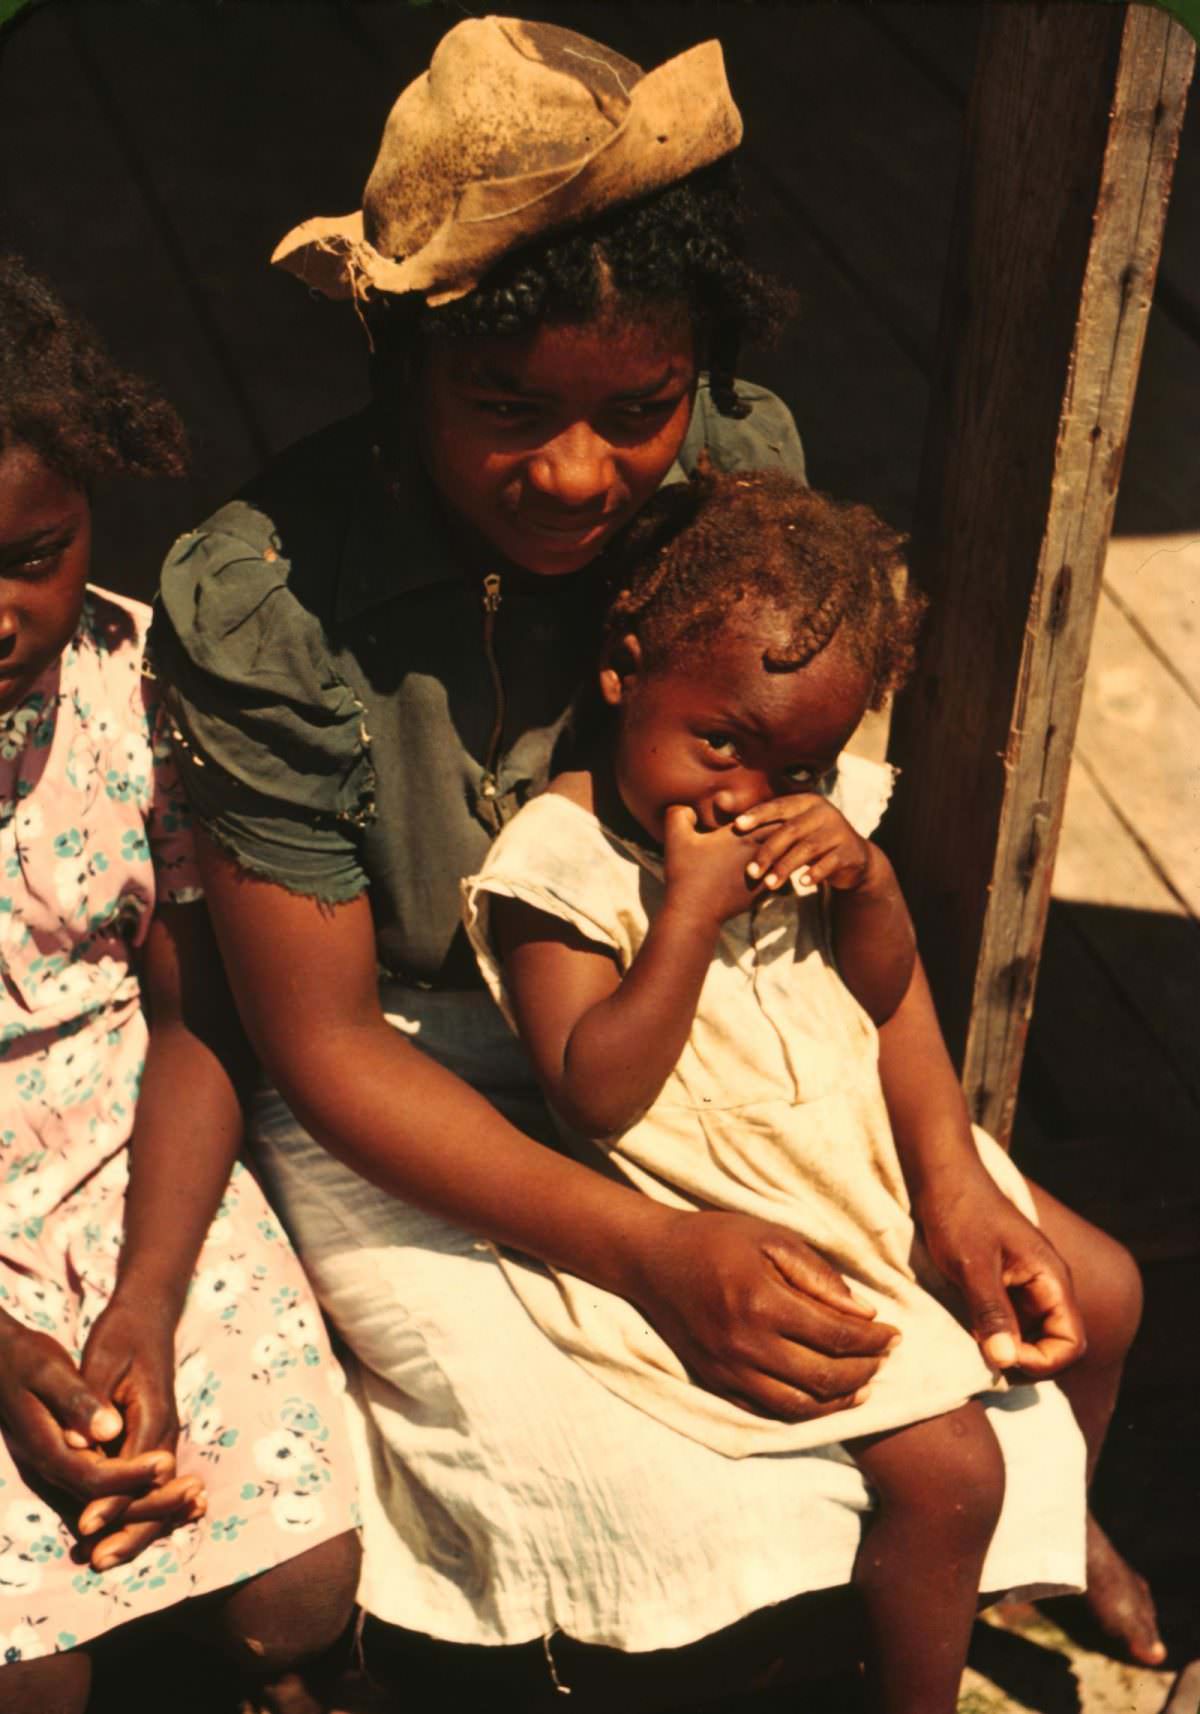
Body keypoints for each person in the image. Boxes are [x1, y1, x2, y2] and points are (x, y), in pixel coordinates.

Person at [150, 15, 1164, 1686]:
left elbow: (826, 896)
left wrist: (948, 1165)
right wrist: (644, 1249)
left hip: (722, 1027)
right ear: (400, 361)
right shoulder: (275, 594)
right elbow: (321, 1040)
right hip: (428, 1084)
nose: (576, 471)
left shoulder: (732, 484)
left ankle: (1031, 1537)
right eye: (504, 405)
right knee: (630, 1479)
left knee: (1066, 1291)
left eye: (638, 407)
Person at [463, 467, 1152, 1713]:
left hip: (853, 1148)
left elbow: (883, 997)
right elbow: (592, 1092)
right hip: (718, 1196)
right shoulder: (559, 867)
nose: (745, 794)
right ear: (625, 666)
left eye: (800, 763)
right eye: (721, 741)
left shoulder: (802, 807)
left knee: (1105, 1287)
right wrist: (684, 918)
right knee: (949, 1467)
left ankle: (1061, 1531)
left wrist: (870, 888)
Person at [0, 258, 360, 1714]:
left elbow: (198, 1017)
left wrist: (145, 1300)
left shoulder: (135, 683)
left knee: (298, 1591)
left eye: (35, 551)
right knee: (37, 1681)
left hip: (131, 1157)